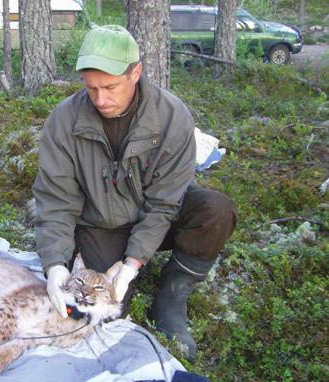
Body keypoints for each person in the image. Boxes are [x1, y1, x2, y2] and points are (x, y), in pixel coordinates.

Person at [32, 25, 238, 360]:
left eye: (110, 87)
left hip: (159, 216)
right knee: (98, 312)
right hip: (99, 224)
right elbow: (56, 201)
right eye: (91, 88)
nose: (100, 99)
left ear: (136, 72)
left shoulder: (172, 117)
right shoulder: (63, 120)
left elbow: (164, 203)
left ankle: (172, 296)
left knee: (215, 210)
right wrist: (55, 264)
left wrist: (132, 263)